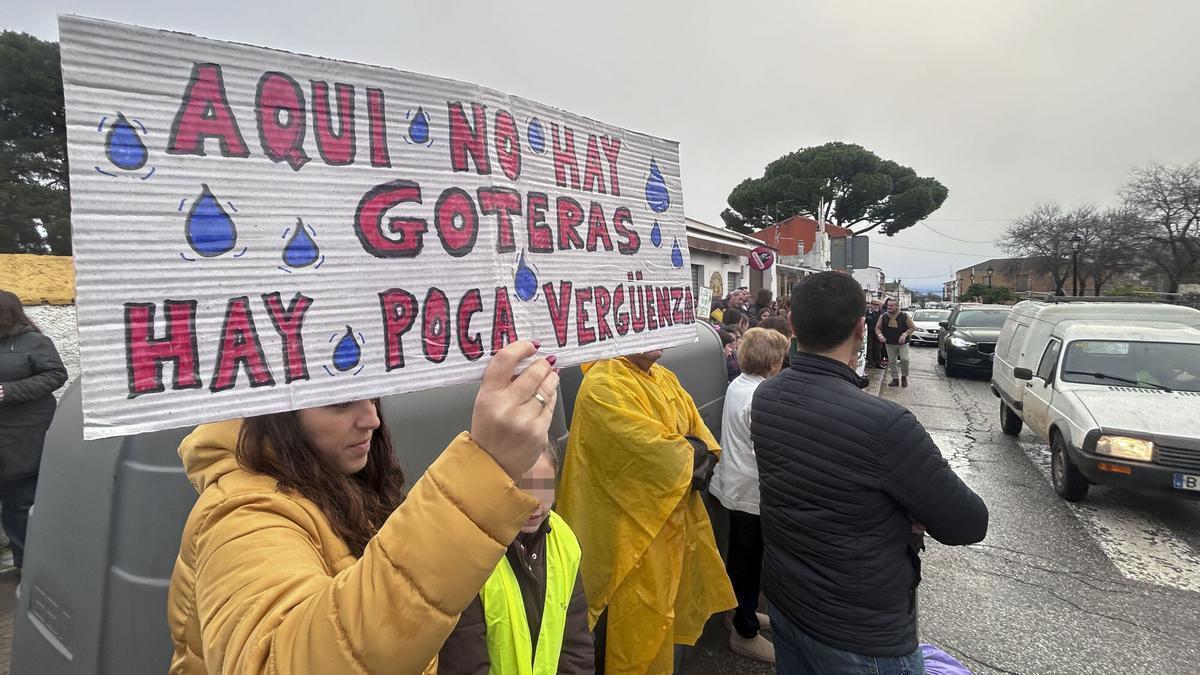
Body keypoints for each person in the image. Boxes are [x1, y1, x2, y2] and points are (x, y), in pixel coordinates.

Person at [167, 341, 560, 675]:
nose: (371, 418)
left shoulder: (341, 481)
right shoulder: (242, 515)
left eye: (372, 393)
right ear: (277, 414)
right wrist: (483, 469)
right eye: (340, 402)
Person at [752, 272, 988, 674]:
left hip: (787, 602)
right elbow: (967, 524)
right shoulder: (886, 423)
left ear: (791, 326)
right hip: (859, 633)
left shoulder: (767, 395)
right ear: (862, 327)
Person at [559, 350, 735, 674]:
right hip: (626, 550)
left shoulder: (665, 377)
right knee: (629, 644)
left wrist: (689, 453)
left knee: (662, 630)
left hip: (669, 539)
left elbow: (705, 451)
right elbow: (674, 461)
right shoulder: (604, 384)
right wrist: (688, 452)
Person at [438, 439, 593, 674]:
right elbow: (465, 662)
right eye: (521, 487)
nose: (535, 504)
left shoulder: (565, 541)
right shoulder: (467, 552)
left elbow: (575, 648)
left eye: (544, 488)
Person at [709, 328, 790, 664]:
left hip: (734, 485)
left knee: (741, 558)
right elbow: (770, 449)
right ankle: (744, 632)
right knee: (749, 564)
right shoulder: (762, 396)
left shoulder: (739, 384)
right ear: (772, 363)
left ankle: (739, 612)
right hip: (750, 493)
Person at [0, 290, 68, 571]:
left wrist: (9, 391)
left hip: (25, 434)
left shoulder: (34, 342)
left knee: (19, 504)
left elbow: (57, 374)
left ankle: (28, 568)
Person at [876, 298, 915, 387]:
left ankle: (904, 377)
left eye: (892, 305)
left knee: (904, 359)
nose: (889, 307)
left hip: (902, 343)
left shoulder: (904, 316)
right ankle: (895, 379)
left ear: (897, 306)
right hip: (889, 343)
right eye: (888, 305)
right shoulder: (883, 316)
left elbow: (912, 327)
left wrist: (904, 334)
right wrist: (880, 335)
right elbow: (877, 328)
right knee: (892, 361)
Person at [865, 298, 884, 369]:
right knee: (869, 347)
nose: (876, 306)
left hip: (878, 333)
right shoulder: (866, 312)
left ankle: (878, 363)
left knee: (878, 348)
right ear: (871, 305)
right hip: (869, 332)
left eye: (878, 305)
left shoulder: (882, 313)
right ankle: (870, 362)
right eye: (875, 305)